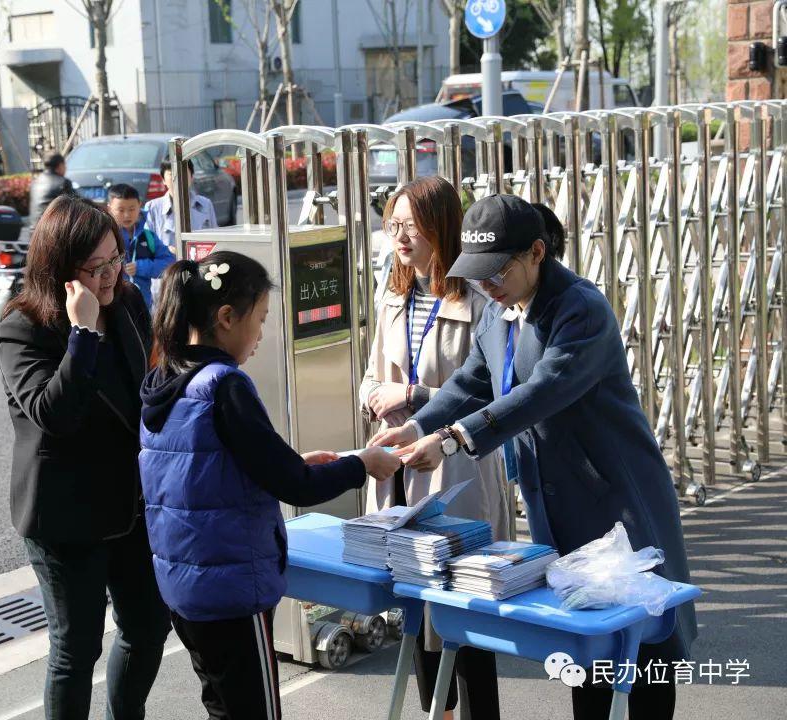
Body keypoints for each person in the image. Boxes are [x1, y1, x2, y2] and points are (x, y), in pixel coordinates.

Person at [370, 194, 697, 720]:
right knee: (581, 647)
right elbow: (471, 381)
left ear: (537, 253)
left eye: (497, 271)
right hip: (553, 502)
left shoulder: (580, 309)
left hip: (616, 498)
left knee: (641, 646)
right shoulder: (499, 312)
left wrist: (452, 438)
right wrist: (414, 426)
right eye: (477, 274)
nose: (488, 285)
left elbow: (539, 393)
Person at [138, 251, 401, 720]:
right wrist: (362, 464)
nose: (260, 335)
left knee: (223, 705)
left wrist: (290, 462)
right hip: (232, 590)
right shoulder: (225, 386)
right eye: (259, 319)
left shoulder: (165, 378)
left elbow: (202, 473)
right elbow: (295, 486)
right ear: (225, 318)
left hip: (184, 585)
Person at [0, 195, 169, 720]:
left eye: (116, 258)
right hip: (66, 515)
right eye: (96, 267)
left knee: (147, 626)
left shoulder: (130, 302)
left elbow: (149, 387)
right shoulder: (22, 327)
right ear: (60, 268)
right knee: (77, 649)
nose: (111, 274)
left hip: (130, 504)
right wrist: (83, 333)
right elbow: (56, 414)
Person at [360, 177, 508, 720]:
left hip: (456, 463)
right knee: (415, 610)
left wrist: (415, 396)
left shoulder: (476, 296)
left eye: (411, 226)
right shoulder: (394, 291)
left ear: (441, 227)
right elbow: (374, 366)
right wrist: (371, 393)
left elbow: (491, 385)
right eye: (393, 225)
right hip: (399, 462)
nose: (400, 237)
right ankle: (436, 713)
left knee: (463, 609)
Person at [106, 183, 174, 309]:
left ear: (140, 205)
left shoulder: (148, 235)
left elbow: (170, 263)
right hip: (114, 306)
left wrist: (141, 267)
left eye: (132, 209)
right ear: (109, 208)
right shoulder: (106, 237)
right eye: (121, 210)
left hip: (143, 306)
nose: (127, 215)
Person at [144, 159, 218, 253]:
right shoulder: (152, 208)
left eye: (183, 173)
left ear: (191, 177)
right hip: (167, 265)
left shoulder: (206, 204)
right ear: (163, 180)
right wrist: (166, 251)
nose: (178, 178)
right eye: (172, 174)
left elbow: (215, 240)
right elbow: (147, 245)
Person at [29, 151, 76, 226]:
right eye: (65, 165)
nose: (66, 168)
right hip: (52, 233)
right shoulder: (63, 182)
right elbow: (76, 206)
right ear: (60, 166)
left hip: (34, 233)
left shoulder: (35, 182)